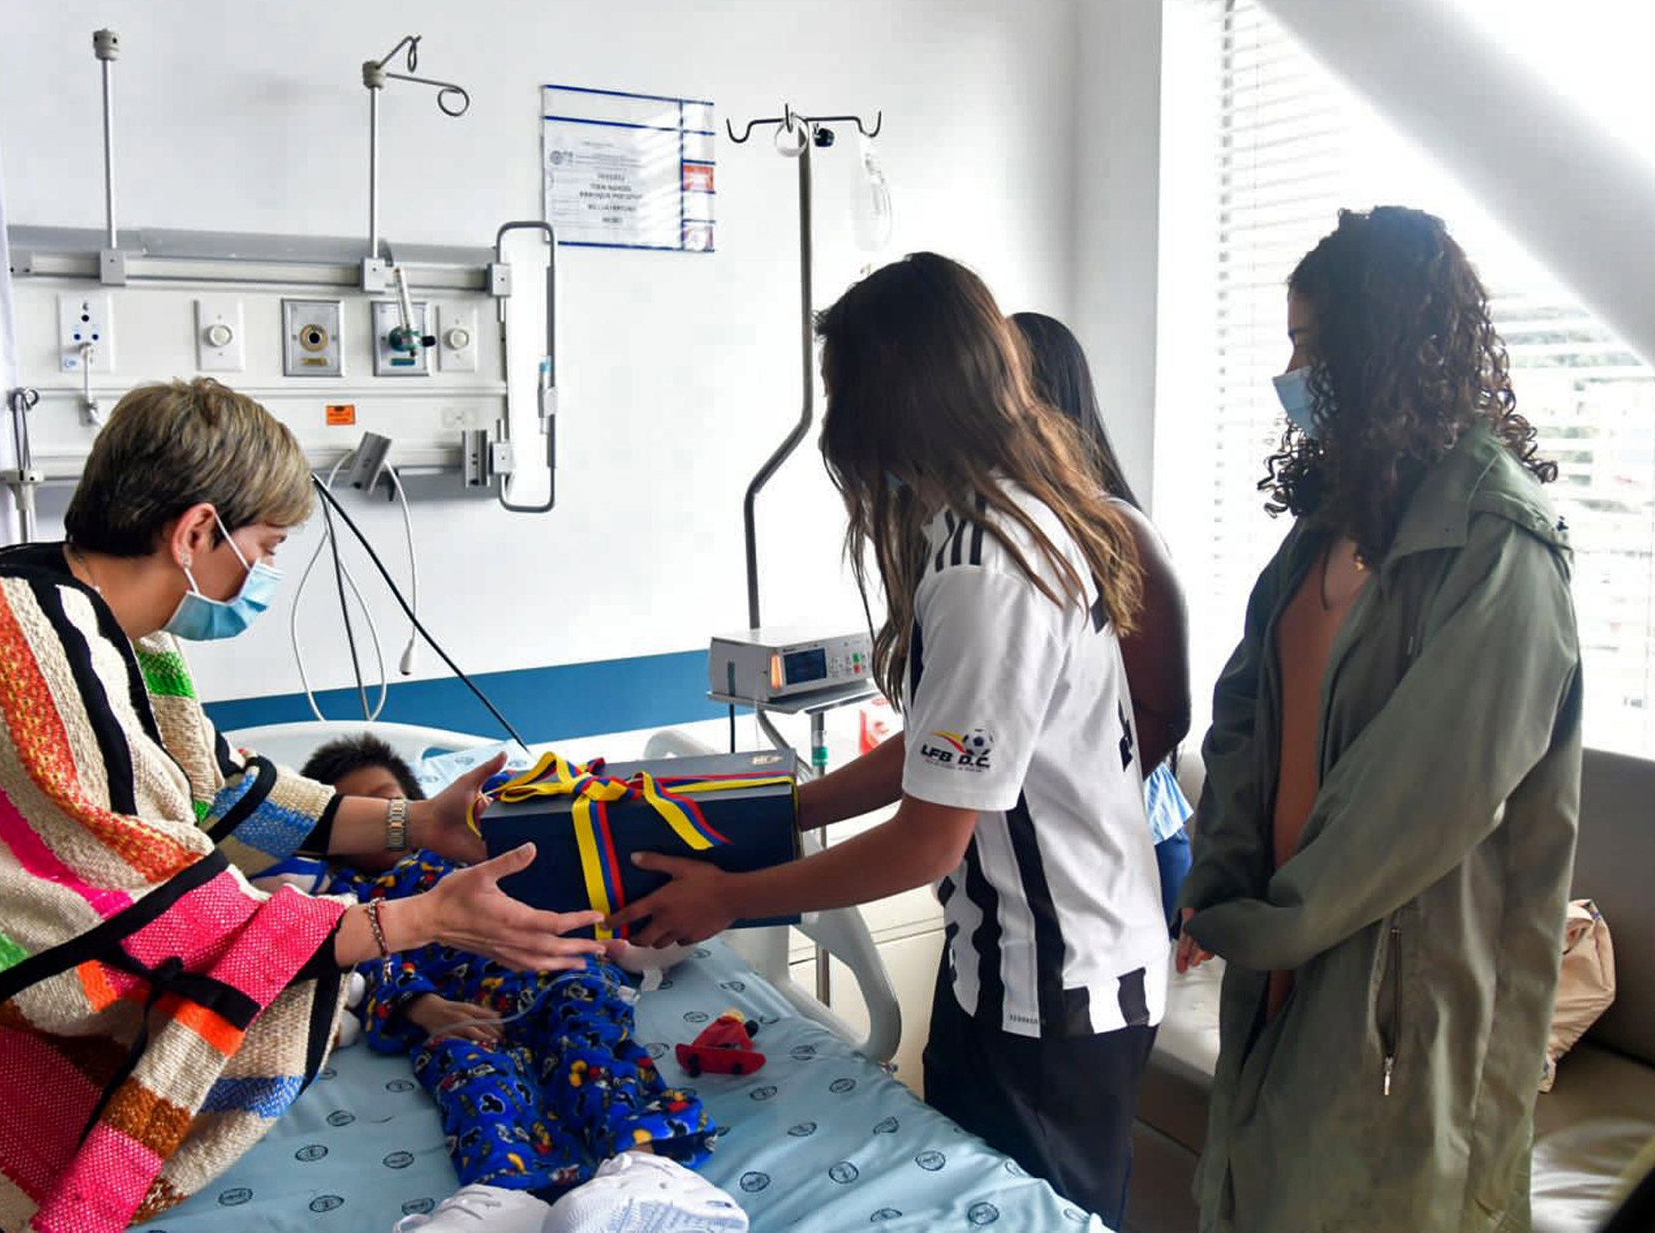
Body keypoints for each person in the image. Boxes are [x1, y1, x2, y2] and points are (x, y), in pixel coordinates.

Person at [0, 379, 602, 1229]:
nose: (262, 573)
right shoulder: (36, 655)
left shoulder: (60, 608)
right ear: (196, 531)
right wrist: (422, 919)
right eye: (264, 548)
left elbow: (215, 793)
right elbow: (176, 929)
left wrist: (420, 823)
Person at [613, 253, 1169, 1228]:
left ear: (892, 385)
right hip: (1033, 967)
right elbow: (945, 745)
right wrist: (787, 807)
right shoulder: (1010, 522)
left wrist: (728, 899)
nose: (836, 419)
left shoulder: (989, 563)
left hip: (1052, 985)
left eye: (841, 387)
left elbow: (929, 838)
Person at [1175, 206, 1581, 1231]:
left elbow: (1412, 805)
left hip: (1400, 1009)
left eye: (1312, 348)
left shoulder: (1497, 547)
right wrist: (1217, 879)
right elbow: (1244, 723)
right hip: (1283, 959)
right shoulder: (1325, 531)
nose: (1294, 376)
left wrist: (1246, 922)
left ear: (1386, 349)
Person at [266, 736, 743, 1233]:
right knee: (471, 1075)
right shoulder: (358, 900)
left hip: (559, 973)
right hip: (460, 1006)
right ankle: (503, 1195)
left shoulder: (483, 851)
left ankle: (649, 1174)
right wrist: (420, 1006)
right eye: (366, 814)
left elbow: (569, 883)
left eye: (392, 800)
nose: (385, 818)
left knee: (589, 1046)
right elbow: (365, 964)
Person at [1012, 311, 1194, 924]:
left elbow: (1166, 715)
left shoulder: (1115, 530)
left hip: (1128, 845)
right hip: (1057, 854)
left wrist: (1063, 817)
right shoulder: (1013, 537)